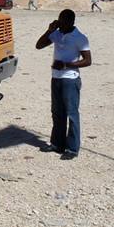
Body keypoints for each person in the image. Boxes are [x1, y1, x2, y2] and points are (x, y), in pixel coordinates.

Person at [35, 9, 92, 160]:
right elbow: (39, 45)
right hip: (56, 78)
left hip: (70, 79)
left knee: (71, 114)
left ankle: (72, 149)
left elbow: (88, 61)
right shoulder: (57, 33)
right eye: (59, 20)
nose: (60, 24)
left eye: (63, 22)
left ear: (71, 22)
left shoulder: (80, 38)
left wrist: (67, 65)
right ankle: (57, 144)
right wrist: (49, 30)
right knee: (57, 112)